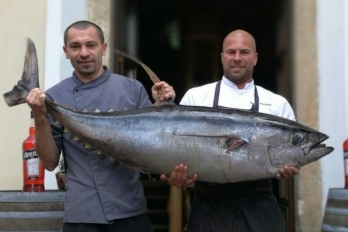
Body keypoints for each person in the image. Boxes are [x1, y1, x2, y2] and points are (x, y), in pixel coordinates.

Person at [26, 20, 175, 232]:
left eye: (91, 45)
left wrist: (161, 107)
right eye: (75, 46)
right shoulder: (54, 97)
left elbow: (156, 148)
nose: (84, 53)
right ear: (65, 51)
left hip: (130, 210)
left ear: (103, 48)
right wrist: (40, 116)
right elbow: (49, 162)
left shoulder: (132, 89)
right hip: (82, 213)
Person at [160, 30, 299, 232]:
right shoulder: (195, 97)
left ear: (255, 58)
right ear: (222, 57)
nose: (237, 58)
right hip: (209, 208)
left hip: (260, 207)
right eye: (231, 52)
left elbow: (293, 155)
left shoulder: (278, 104)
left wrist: (292, 167)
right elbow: (175, 148)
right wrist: (176, 174)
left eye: (244, 52)